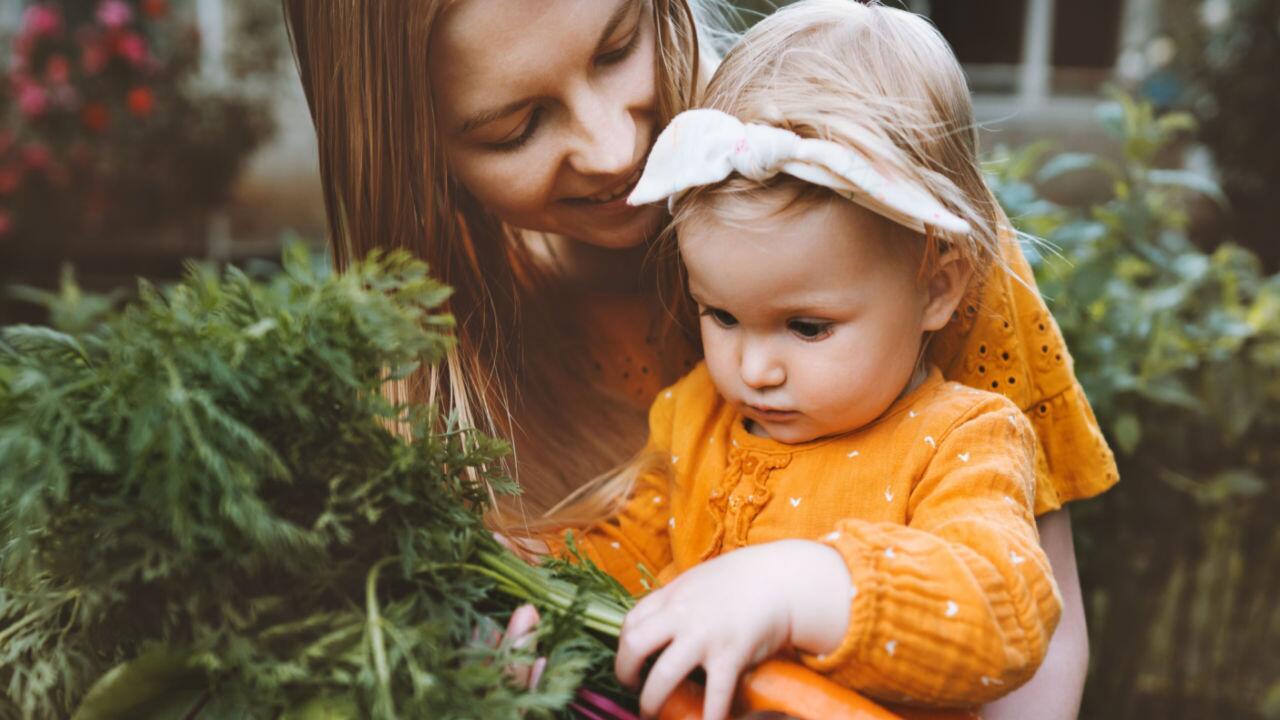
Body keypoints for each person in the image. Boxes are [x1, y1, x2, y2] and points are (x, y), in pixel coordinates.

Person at [281, 1, 1118, 718]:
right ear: (412, 142)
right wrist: (503, 652)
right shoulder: (686, 416)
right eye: (516, 126)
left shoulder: (890, 215)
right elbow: (619, 572)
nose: (615, 150)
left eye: (616, 47)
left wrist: (803, 585)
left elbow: (1022, 611)